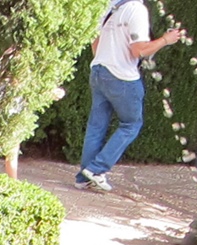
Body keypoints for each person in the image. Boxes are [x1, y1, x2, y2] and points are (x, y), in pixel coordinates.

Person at [75, 0, 183, 192]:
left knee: (96, 125)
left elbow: (95, 42)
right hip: (122, 76)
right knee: (131, 124)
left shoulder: (111, 6)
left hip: (99, 70)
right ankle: (97, 169)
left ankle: (84, 178)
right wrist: (166, 39)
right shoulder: (136, 10)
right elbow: (139, 50)